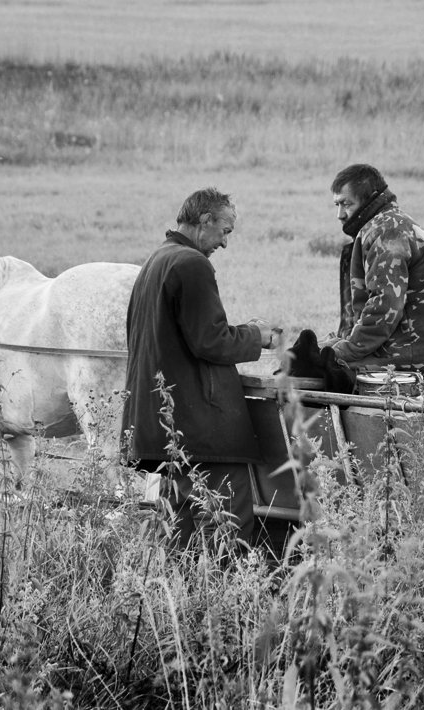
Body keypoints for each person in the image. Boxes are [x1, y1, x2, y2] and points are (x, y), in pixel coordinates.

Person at [121, 187, 278, 551]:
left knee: (175, 522)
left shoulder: (157, 259)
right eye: (225, 231)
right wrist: (259, 336)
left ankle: (182, 595)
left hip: (164, 422)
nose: (224, 243)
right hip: (200, 426)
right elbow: (210, 341)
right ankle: (228, 592)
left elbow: (184, 337)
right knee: (229, 514)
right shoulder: (192, 264)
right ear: (205, 221)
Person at [327, 163, 424, 381]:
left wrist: (345, 349)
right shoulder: (390, 222)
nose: (340, 215)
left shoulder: (386, 232)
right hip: (417, 346)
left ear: (368, 198)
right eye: (337, 205)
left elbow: (384, 306)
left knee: (321, 368)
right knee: (318, 350)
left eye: (346, 204)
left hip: (410, 353)